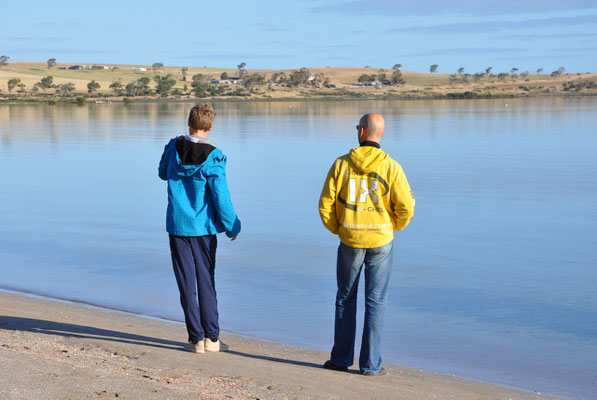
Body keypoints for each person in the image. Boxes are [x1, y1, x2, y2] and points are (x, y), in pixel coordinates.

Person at [318, 113, 415, 375]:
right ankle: (371, 365)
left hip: (350, 238)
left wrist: (338, 228)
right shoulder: (391, 166)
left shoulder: (341, 165)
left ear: (361, 132)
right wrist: (391, 227)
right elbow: (406, 206)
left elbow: (325, 204)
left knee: (345, 299)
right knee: (376, 302)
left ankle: (340, 360)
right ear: (380, 134)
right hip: (381, 241)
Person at [159, 103, 241, 354]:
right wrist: (232, 225)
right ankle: (212, 339)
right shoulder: (214, 156)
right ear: (210, 126)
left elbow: (163, 173)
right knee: (206, 281)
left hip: (178, 226)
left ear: (189, 123)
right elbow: (221, 196)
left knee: (186, 283)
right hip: (203, 228)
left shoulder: (173, 146)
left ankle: (195, 339)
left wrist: (170, 152)